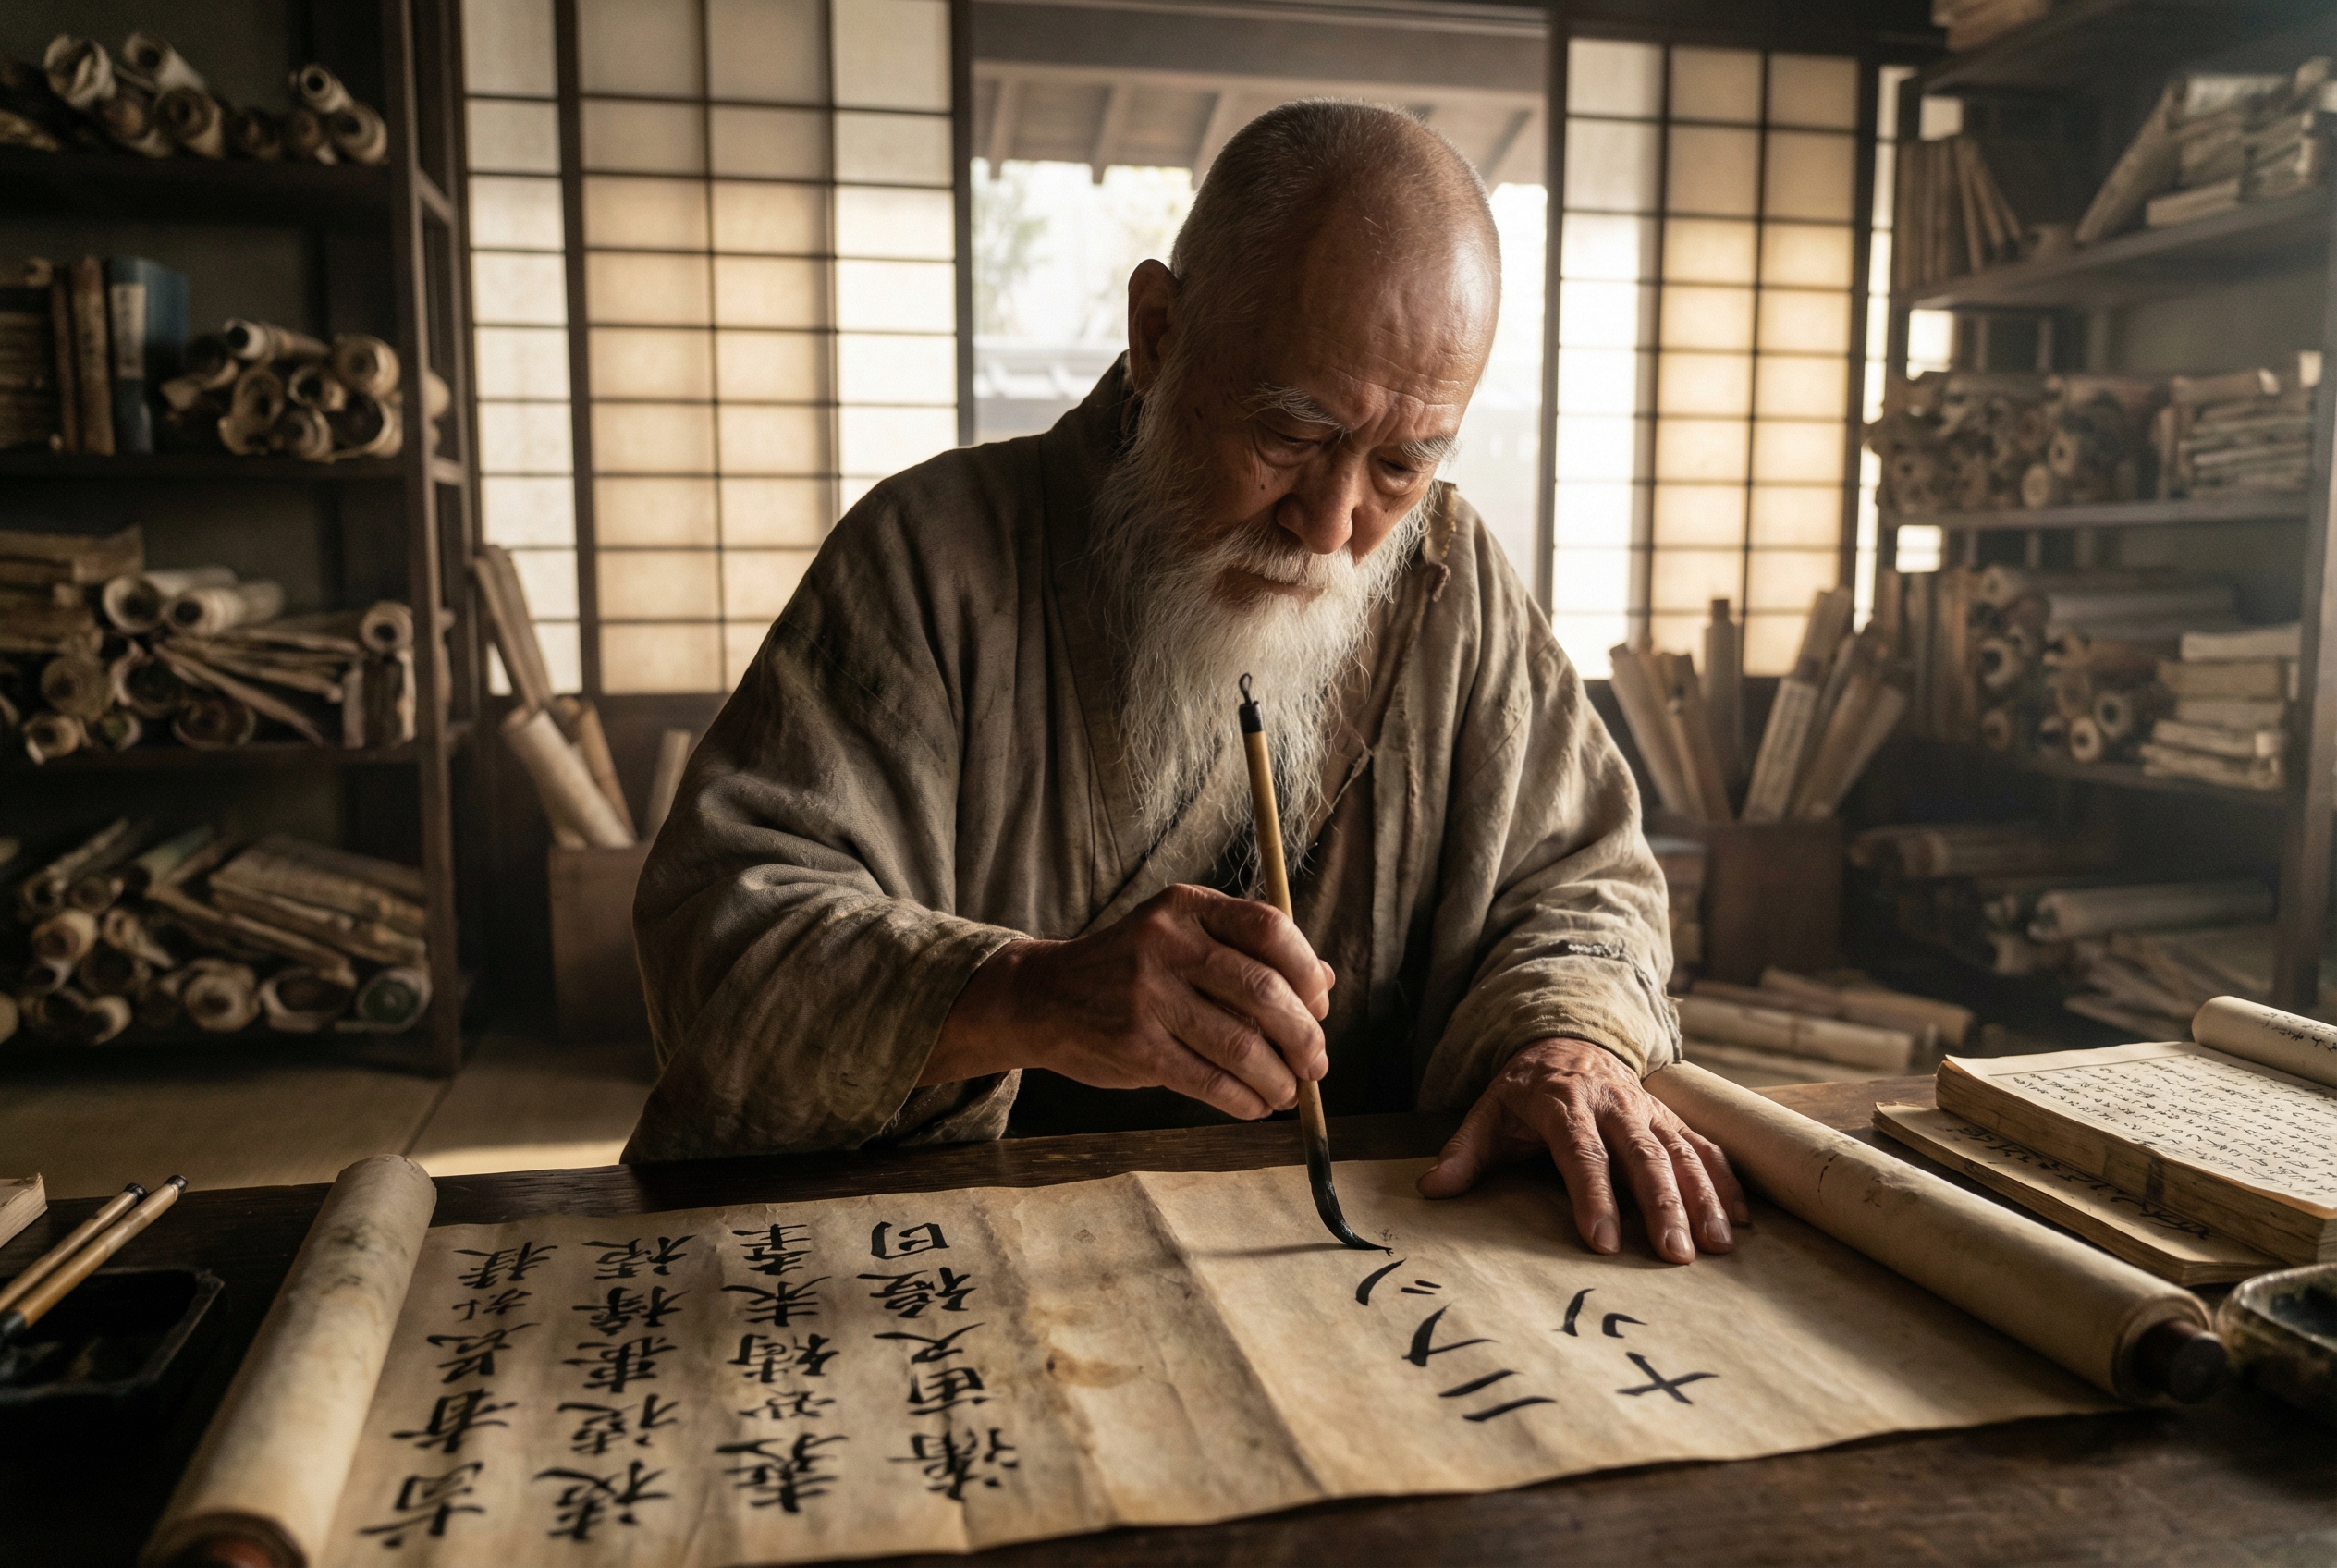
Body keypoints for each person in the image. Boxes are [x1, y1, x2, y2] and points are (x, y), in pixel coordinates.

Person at [625, 100, 1746, 1265]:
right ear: (1157, 332)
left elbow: (1583, 884)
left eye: (1400, 462)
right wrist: (1028, 993)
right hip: (966, 1265)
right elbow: (725, 945)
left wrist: (1563, 1042)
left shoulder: (1447, 582)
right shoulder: (933, 557)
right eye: (1290, 432)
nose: (1329, 525)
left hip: (1357, 1265)